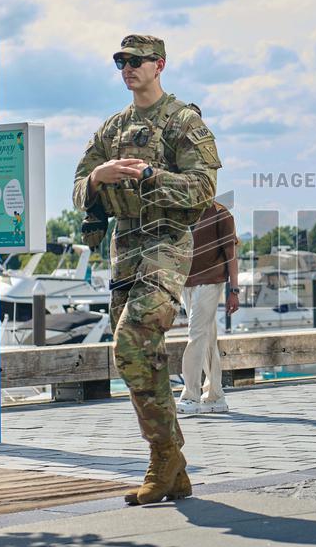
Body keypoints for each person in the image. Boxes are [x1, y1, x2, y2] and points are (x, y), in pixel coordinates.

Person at [72, 34, 221, 504]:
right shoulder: (113, 128)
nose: (128, 68)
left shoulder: (183, 122)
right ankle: (170, 461)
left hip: (167, 242)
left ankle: (162, 459)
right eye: (121, 61)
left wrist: (151, 176)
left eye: (136, 61)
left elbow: (203, 186)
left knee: (132, 339)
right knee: (138, 354)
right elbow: (79, 182)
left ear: (159, 65)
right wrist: (99, 177)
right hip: (125, 243)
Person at [177, 201, 240, 415]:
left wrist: (234, 290)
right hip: (186, 283)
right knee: (206, 337)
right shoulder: (180, 211)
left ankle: (190, 396)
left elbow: (231, 254)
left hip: (211, 282)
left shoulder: (221, 214)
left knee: (195, 334)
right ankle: (215, 395)